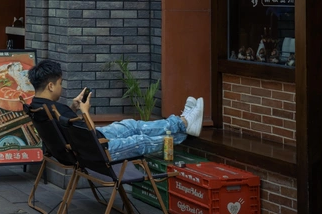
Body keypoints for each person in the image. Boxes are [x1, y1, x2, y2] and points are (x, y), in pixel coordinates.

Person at [27, 60, 204, 162]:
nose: (61, 87)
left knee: (130, 125)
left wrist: (73, 108)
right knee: (139, 140)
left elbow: (72, 128)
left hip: (87, 143)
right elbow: (87, 135)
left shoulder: (37, 106)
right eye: (60, 83)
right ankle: (184, 126)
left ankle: (182, 122)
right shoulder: (54, 110)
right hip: (94, 151)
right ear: (50, 86)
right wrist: (85, 111)